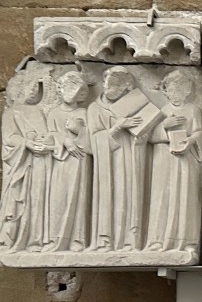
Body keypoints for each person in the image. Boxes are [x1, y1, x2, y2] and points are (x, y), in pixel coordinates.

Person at [88, 66, 152, 251]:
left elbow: (144, 134)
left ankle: (130, 241)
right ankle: (105, 241)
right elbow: (93, 142)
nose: (110, 89)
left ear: (126, 87)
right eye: (108, 84)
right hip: (107, 164)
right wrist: (117, 127)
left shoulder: (135, 106)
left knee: (130, 196)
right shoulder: (94, 108)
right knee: (108, 198)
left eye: (117, 86)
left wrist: (140, 137)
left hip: (130, 158)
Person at [146, 70, 202, 252]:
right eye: (172, 90)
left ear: (187, 91)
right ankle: (158, 239)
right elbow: (150, 136)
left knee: (186, 195)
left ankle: (187, 240)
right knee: (162, 196)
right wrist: (164, 126)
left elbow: (199, 131)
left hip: (186, 157)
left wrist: (191, 140)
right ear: (166, 92)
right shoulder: (163, 112)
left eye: (180, 89)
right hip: (164, 158)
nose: (176, 93)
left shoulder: (193, 110)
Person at [1, 75, 51, 251]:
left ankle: (35, 240)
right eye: (30, 86)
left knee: (38, 200)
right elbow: (9, 137)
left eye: (37, 88)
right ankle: (10, 238)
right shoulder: (11, 112)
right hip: (21, 163)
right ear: (19, 89)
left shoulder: (39, 111)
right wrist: (26, 142)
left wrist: (46, 142)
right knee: (16, 200)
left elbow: (48, 133)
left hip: (40, 162)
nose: (34, 91)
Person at [46, 72, 92, 252]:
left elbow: (92, 138)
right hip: (60, 161)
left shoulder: (84, 112)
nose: (70, 93)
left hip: (80, 160)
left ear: (82, 93)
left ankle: (77, 238)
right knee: (57, 198)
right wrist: (65, 140)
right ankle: (55, 238)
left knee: (78, 197)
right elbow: (49, 134)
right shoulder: (53, 113)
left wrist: (79, 130)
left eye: (75, 89)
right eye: (67, 87)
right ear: (60, 89)